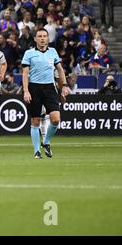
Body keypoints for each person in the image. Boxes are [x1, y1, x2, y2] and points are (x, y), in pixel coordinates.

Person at [22, 29, 70, 159]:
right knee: (35, 121)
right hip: (34, 88)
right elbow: (25, 74)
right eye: (40, 36)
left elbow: (60, 70)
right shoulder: (29, 53)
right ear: (35, 39)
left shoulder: (53, 52)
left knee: (56, 119)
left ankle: (46, 142)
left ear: (48, 39)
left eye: (45, 36)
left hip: (50, 88)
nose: (42, 38)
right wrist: (26, 91)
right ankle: (37, 151)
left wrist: (64, 85)